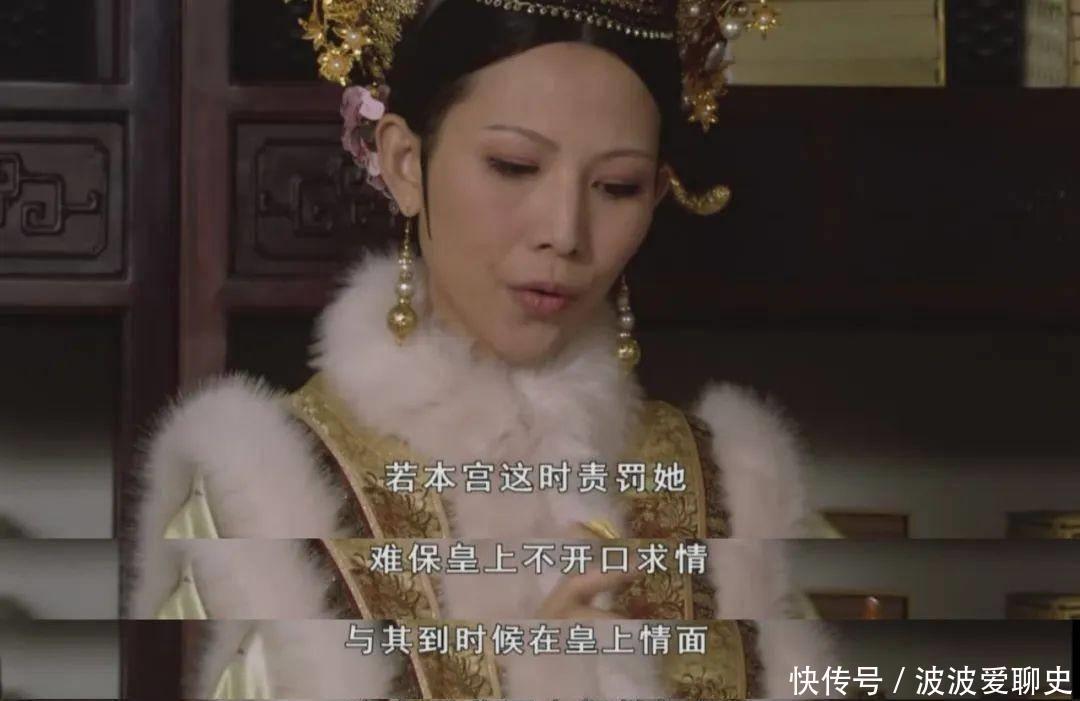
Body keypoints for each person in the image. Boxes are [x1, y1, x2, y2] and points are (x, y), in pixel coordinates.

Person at [125, 0, 836, 697]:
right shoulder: (261, 492)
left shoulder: (733, 491)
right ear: (405, 162)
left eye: (616, 186)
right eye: (514, 166)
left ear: (653, 196)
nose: (564, 232)